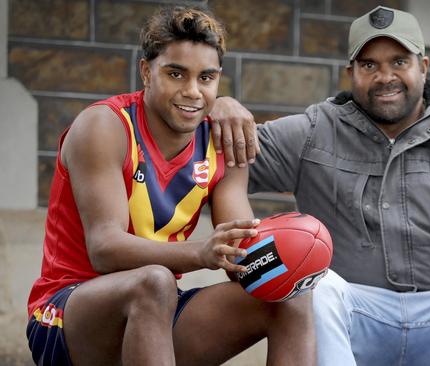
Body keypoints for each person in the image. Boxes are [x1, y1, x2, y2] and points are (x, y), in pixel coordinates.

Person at [212, 5, 430, 366]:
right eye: (369, 65)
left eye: (399, 61)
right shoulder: (313, 132)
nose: (385, 76)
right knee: (318, 288)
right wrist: (218, 105)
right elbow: (210, 155)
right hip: (353, 317)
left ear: (422, 67)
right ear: (351, 73)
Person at [25, 6, 316, 366]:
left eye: (206, 78)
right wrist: (199, 253)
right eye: (176, 74)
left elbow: (239, 254)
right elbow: (104, 248)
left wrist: (292, 255)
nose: (192, 91)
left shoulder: (223, 141)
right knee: (155, 282)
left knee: (289, 297)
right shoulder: (104, 127)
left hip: (157, 314)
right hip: (69, 314)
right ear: (146, 71)